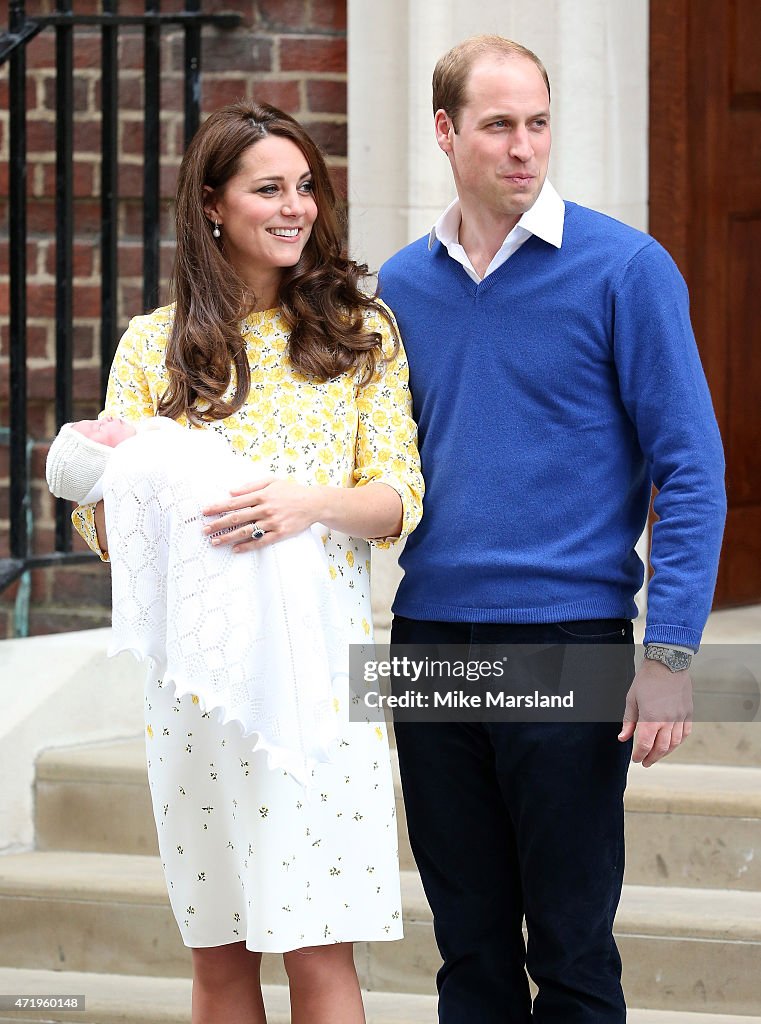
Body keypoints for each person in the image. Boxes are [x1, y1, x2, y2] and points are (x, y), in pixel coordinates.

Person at [378, 35, 726, 1024]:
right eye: (497, 125)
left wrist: (666, 651)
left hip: (566, 638)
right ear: (444, 132)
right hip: (429, 640)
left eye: (536, 123)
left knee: (570, 952)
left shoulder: (626, 269)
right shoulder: (399, 287)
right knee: (468, 950)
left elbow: (690, 469)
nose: (523, 147)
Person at [67, 101, 423, 1024]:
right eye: (269, 187)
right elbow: (101, 528)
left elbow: (397, 499)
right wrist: (116, 487)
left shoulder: (358, 332)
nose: (295, 206)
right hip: (195, 688)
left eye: (306, 187)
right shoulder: (155, 343)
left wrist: (306, 505)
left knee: (318, 953)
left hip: (317, 683)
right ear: (213, 206)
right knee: (220, 958)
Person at [46, 416, 350, 784]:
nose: (104, 418)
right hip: (212, 639)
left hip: (345, 604)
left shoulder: (373, 360)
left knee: (347, 778)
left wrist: (313, 505)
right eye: (93, 428)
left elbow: (405, 502)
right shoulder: (146, 391)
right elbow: (98, 518)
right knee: (222, 813)